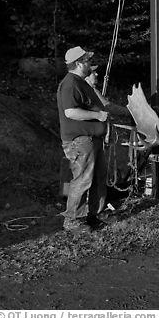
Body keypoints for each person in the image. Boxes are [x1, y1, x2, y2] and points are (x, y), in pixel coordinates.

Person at [57, 46, 109, 233]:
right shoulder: (70, 84)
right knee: (83, 179)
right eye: (87, 60)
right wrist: (97, 117)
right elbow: (70, 112)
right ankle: (72, 220)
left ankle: (93, 214)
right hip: (80, 141)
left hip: (92, 139)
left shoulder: (81, 82)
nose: (90, 64)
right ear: (78, 63)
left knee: (97, 177)